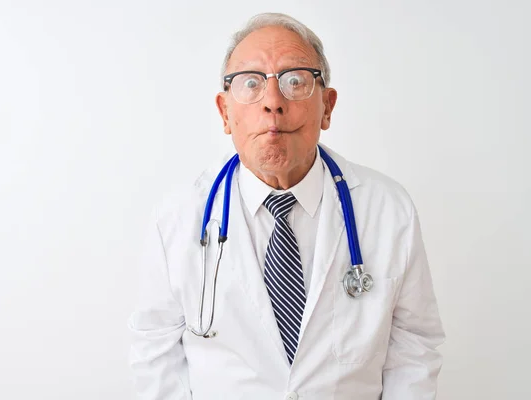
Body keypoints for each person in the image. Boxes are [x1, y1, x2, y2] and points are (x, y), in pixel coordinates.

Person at [128, 12, 445, 399]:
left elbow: (414, 345)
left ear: (327, 107)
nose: (273, 103)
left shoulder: (388, 210)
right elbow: (155, 352)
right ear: (225, 112)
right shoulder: (177, 217)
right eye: (251, 84)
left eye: (295, 81)